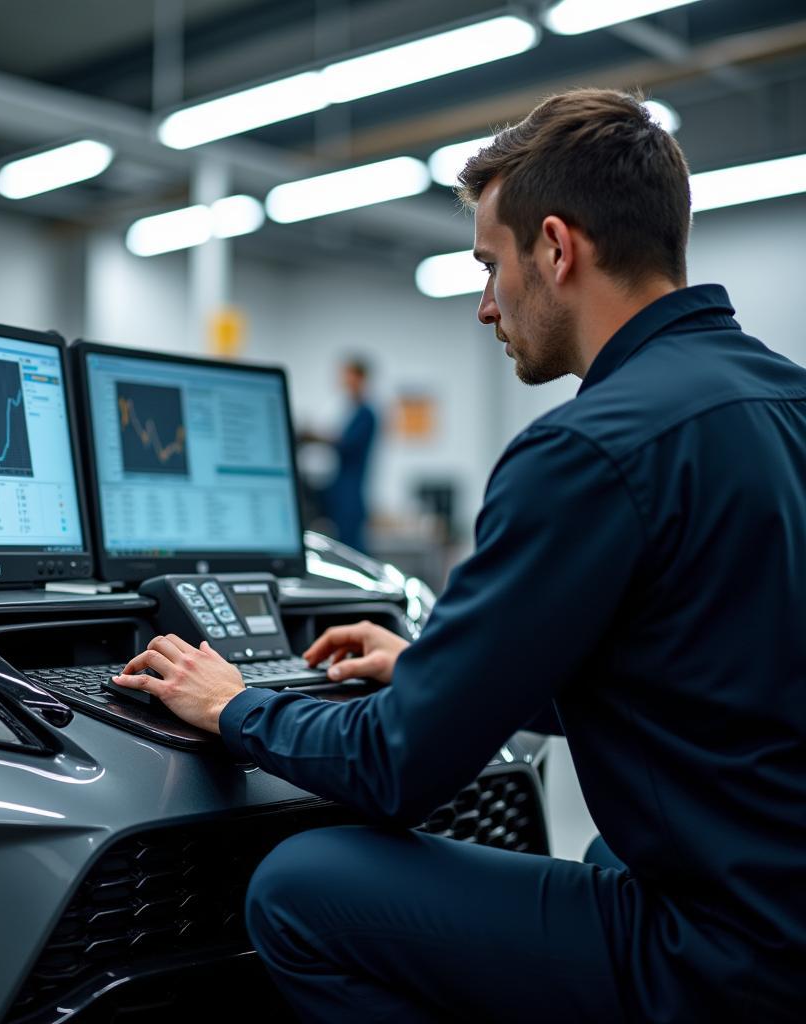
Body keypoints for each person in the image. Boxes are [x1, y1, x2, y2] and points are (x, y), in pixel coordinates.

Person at [110, 89, 806, 1021]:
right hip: (782, 910)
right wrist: (443, 669)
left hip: (724, 957)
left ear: (556, 250)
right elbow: (712, 668)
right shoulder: (783, 402)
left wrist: (237, 705)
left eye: (490, 266)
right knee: (602, 854)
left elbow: (398, 769)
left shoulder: (587, 449)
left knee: (303, 886)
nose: (484, 306)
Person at [322, 357, 378, 553]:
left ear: (360, 378)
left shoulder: (366, 414)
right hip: (340, 490)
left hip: (350, 493)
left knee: (352, 551)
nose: (345, 381)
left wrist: (318, 437)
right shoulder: (349, 411)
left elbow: (347, 445)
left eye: (349, 376)